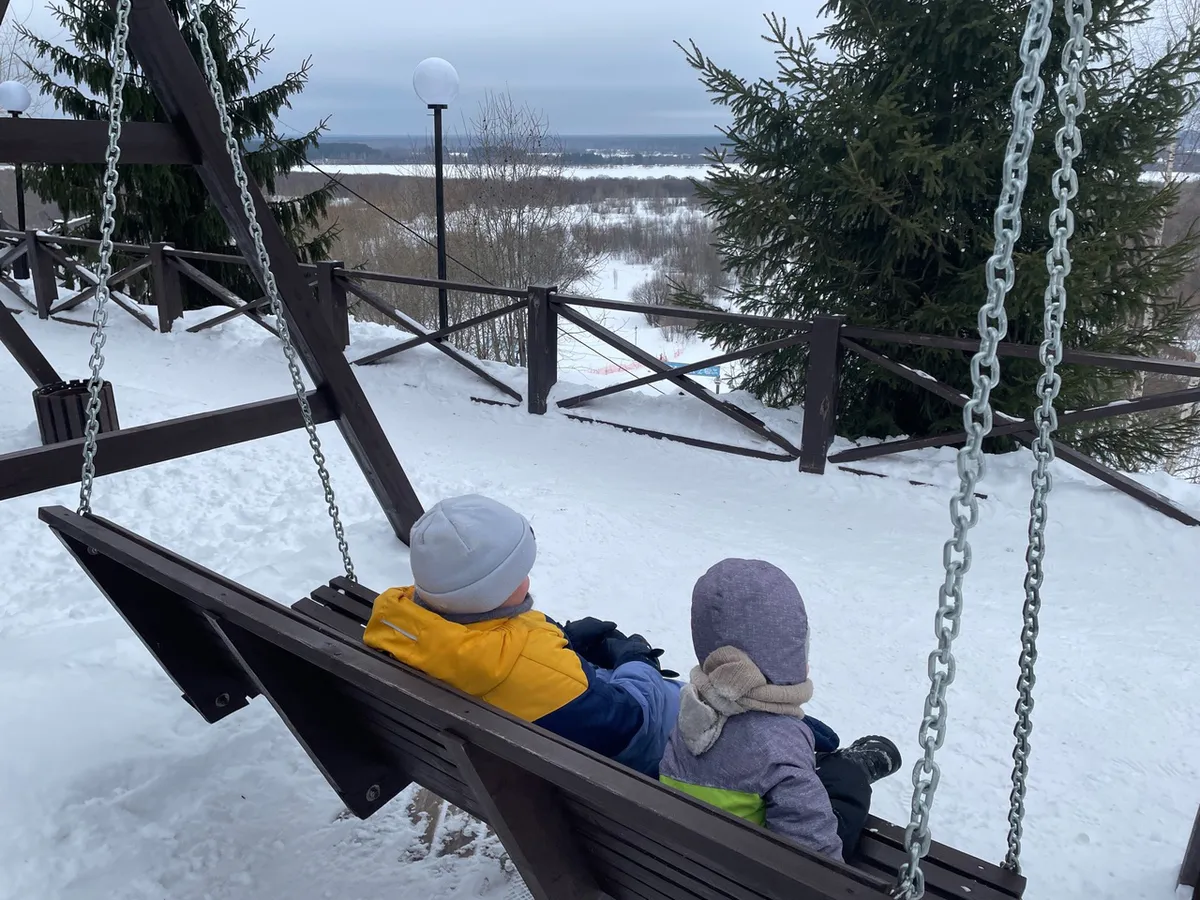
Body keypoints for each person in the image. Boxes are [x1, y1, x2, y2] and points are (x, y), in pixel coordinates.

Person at [362, 494, 682, 778]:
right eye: (517, 574)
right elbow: (633, 724)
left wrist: (562, 639)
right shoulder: (538, 674)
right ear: (489, 591)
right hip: (662, 752)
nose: (527, 580)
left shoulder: (400, 624)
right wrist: (637, 660)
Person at [658, 558, 902, 861]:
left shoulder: (692, 714)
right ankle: (855, 767)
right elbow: (816, 859)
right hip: (753, 873)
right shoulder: (778, 746)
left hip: (688, 863)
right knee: (844, 783)